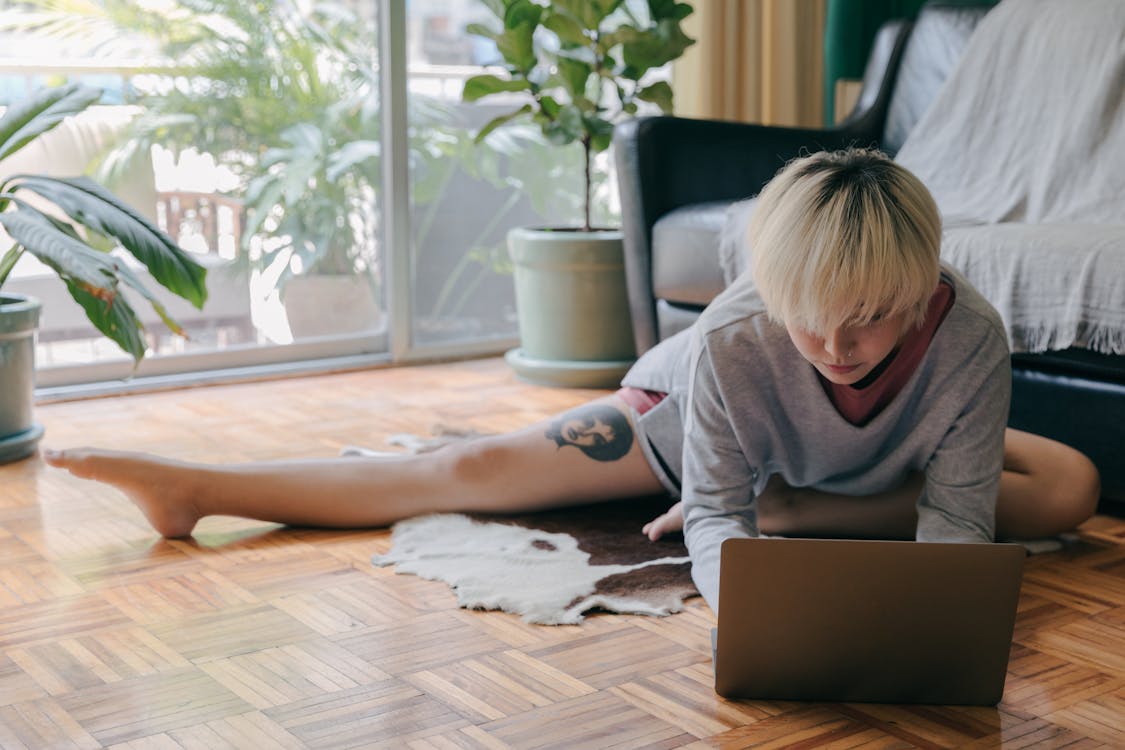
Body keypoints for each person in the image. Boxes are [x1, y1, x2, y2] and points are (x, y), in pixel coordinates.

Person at [43, 148, 1100, 613]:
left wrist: (931, 618)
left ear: (921, 291)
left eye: (865, 323)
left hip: (839, 471)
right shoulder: (735, 337)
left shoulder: (969, 341)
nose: (833, 348)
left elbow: (959, 532)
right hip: (684, 429)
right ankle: (201, 485)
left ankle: (809, 505)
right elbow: (716, 524)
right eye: (805, 323)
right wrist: (749, 599)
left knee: (1070, 490)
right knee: (462, 469)